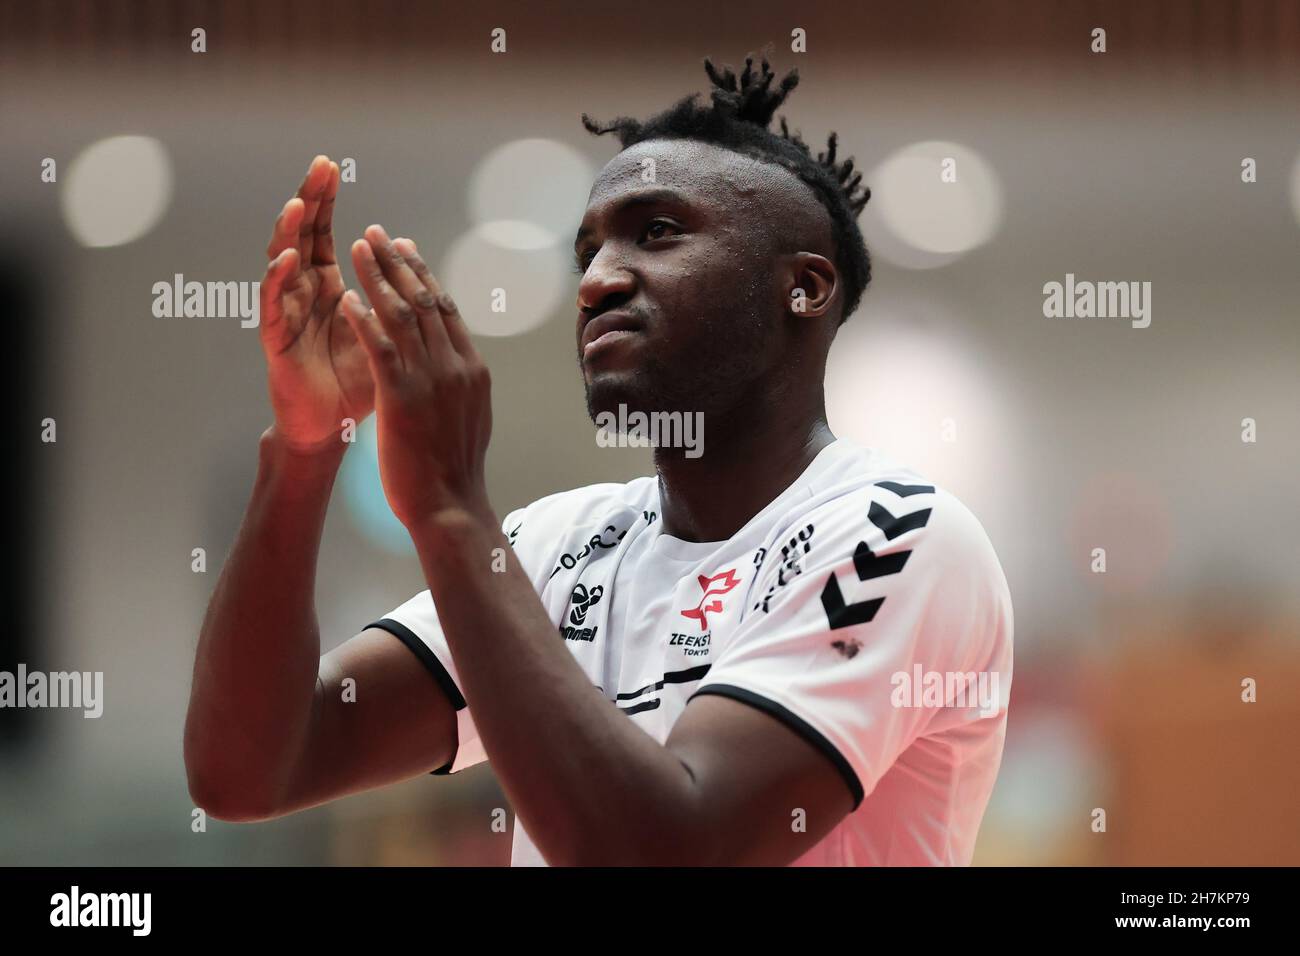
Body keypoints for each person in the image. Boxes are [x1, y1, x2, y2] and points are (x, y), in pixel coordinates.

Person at [184, 55, 1013, 866]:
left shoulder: (898, 537)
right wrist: (303, 447)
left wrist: (448, 509)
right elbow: (249, 770)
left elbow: (668, 845)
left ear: (804, 288)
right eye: (587, 252)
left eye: (656, 233)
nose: (596, 283)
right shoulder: (558, 544)